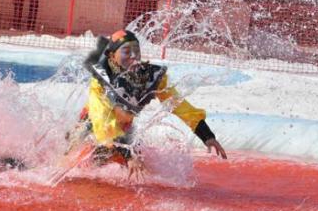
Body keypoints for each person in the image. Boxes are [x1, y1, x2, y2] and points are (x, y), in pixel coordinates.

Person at [66, 29, 227, 180]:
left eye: (137, 50)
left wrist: (206, 135)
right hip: (92, 127)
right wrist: (128, 156)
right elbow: (103, 123)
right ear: (112, 56)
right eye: (126, 51)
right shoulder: (100, 81)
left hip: (123, 129)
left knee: (142, 168)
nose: (134, 56)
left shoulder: (151, 78)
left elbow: (179, 106)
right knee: (81, 164)